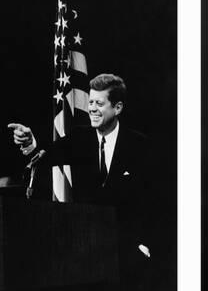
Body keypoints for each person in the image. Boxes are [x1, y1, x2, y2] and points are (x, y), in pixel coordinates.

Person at [8, 73, 150, 210]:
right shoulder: (79, 138)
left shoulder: (138, 144)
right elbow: (48, 155)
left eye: (99, 103)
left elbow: (148, 197)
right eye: (91, 102)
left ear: (117, 108)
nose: (92, 109)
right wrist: (29, 143)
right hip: (84, 228)